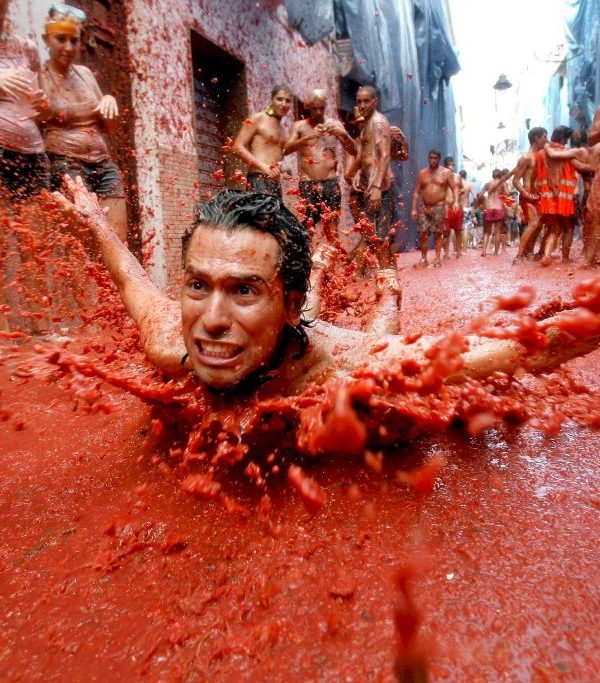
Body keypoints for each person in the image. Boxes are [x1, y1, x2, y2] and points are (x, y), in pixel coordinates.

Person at [51, 179, 600, 404]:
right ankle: (298, 277)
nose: (209, 320)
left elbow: (527, 348)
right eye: (198, 285)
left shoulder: (350, 370)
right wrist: (97, 221)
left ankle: (387, 297)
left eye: (242, 290)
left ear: (285, 304)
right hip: (289, 318)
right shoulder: (173, 342)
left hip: (342, 348)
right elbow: (133, 281)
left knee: (378, 337)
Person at [39, 2, 127, 242]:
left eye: (74, 40)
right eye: (61, 39)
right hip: (66, 163)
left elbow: (108, 127)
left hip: (103, 161)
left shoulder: (85, 74)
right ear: (46, 39)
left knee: (118, 240)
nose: (69, 47)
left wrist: (109, 101)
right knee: (82, 244)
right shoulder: (38, 76)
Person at [283, 89, 356, 245]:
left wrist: (344, 134)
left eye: (321, 108)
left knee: (332, 227)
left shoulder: (334, 125)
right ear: (308, 107)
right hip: (307, 182)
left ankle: (334, 265)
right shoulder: (299, 126)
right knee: (307, 227)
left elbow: (353, 151)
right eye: (314, 108)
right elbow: (285, 149)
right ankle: (307, 264)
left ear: (325, 106)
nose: (318, 112)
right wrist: (309, 137)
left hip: (330, 181)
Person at [351, 85, 396, 271]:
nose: (362, 105)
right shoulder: (367, 125)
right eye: (359, 101)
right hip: (372, 186)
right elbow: (369, 156)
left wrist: (377, 187)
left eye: (366, 101)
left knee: (381, 236)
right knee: (370, 234)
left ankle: (388, 279)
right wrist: (360, 172)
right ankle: (370, 276)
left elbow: (385, 155)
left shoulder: (378, 122)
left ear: (374, 102)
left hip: (381, 187)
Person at [232, 84, 292, 198]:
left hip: (275, 184)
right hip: (258, 180)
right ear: (271, 100)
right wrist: (264, 167)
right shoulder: (258, 118)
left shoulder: (282, 129)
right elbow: (237, 147)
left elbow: (275, 155)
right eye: (279, 99)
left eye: (287, 101)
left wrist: (284, 167)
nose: (283, 104)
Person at [533, 126, 581, 266]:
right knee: (568, 228)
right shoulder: (568, 154)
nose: (566, 142)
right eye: (566, 140)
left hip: (547, 198)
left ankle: (547, 255)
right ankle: (565, 258)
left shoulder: (540, 154)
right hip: (565, 198)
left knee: (554, 229)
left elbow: (536, 177)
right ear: (563, 138)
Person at [410, 149, 459, 267]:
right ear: (428, 158)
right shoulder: (422, 173)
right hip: (424, 207)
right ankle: (423, 258)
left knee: (438, 234)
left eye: (435, 158)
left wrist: (456, 201)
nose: (432, 160)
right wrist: (413, 208)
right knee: (423, 233)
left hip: (439, 207)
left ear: (439, 159)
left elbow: (454, 188)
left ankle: (437, 259)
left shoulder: (446, 173)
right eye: (431, 158)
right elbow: (416, 192)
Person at [511, 127, 548, 264]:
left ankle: (529, 253)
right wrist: (527, 194)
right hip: (528, 195)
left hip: (539, 195)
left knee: (539, 225)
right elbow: (515, 181)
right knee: (534, 223)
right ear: (536, 138)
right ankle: (519, 256)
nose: (546, 139)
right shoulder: (526, 157)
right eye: (544, 136)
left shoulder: (542, 156)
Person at [477, 168, 514, 257]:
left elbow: (480, 195)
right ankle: (496, 252)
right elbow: (507, 193)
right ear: (500, 175)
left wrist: (483, 204)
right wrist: (512, 193)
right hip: (498, 208)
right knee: (497, 231)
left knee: (487, 232)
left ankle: (484, 251)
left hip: (488, 208)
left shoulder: (487, 184)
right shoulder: (502, 183)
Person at [442, 156, 464, 258]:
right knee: (446, 232)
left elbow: (462, 189)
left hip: (457, 207)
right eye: (450, 165)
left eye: (453, 165)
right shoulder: (442, 176)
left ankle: (459, 252)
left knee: (458, 231)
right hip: (446, 207)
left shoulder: (457, 177)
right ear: (445, 166)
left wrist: (458, 194)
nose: (452, 167)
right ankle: (446, 253)